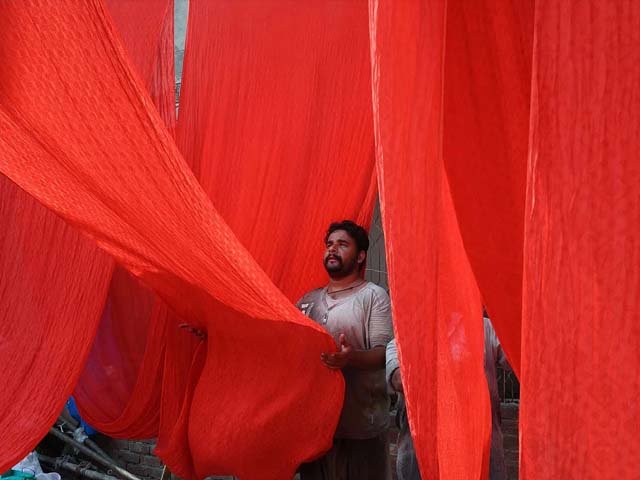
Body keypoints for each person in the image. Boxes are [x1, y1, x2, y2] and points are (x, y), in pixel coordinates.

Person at [297, 220, 394, 480]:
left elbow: (384, 353)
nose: (332, 250)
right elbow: (280, 342)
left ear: (361, 255)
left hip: (362, 426)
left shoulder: (373, 297)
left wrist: (350, 358)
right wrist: (222, 335)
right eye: (329, 244)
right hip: (316, 430)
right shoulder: (308, 301)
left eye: (342, 244)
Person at [386, 311, 508, 480]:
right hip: (421, 453)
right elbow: (398, 379)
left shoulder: (485, 327)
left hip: (481, 449)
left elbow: (520, 359)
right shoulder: (405, 335)